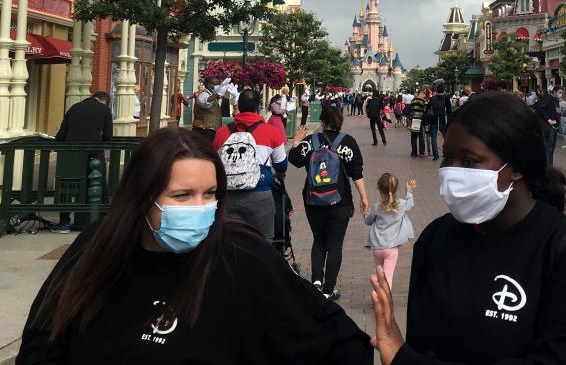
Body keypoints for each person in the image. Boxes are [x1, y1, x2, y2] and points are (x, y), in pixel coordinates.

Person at [18, 127, 373, 364]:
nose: (200, 207)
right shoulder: (97, 248)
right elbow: (43, 341)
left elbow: (339, 341)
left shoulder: (243, 256)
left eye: (211, 194)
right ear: (141, 197)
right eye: (182, 195)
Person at [367, 92, 566, 365]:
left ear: (515, 166)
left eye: (468, 161)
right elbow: (423, 341)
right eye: (448, 158)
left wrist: (401, 359)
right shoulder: (435, 238)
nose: (452, 172)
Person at [289, 106, 369, 301]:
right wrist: (364, 197)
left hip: (313, 200)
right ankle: (328, 289)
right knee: (335, 245)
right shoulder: (348, 142)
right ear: (339, 122)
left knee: (319, 240)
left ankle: (316, 281)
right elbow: (356, 172)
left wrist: (297, 141)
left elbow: (294, 160)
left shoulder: (311, 141)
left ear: (323, 122)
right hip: (340, 202)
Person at [213, 89, 288, 239]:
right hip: (260, 194)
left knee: (232, 242)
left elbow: (214, 163)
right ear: (258, 107)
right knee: (263, 241)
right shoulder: (271, 132)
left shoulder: (222, 133)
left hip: (229, 195)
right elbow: (281, 165)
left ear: (238, 106)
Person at [51, 92, 114, 234]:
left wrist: (58, 146)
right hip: (93, 154)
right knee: (98, 183)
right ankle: (101, 221)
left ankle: (64, 223)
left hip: (71, 154)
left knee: (69, 186)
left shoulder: (74, 107)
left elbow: (62, 134)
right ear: (104, 101)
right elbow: (108, 136)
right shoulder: (104, 110)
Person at [363, 173, 416, 288]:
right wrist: (409, 191)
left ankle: (378, 296)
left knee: (380, 274)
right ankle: (386, 301)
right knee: (388, 276)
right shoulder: (401, 204)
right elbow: (410, 204)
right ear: (395, 189)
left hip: (377, 247)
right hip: (391, 248)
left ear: (380, 190)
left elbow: (368, 221)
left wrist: (365, 212)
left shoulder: (377, 207)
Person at [423, 87, 452, 161]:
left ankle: (436, 155)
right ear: (444, 90)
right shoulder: (446, 98)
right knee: (446, 137)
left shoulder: (433, 98)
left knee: (433, 137)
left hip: (434, 119)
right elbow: (449, 110)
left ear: (436, 91)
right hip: (442, 119)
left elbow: (428, 108)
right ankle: (447, 154)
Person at [191, 77, 223, 142]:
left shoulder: (211, 95)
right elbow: (205, 102)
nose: (218, 86)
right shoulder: (203, 94)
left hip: (210, 131)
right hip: (203, 130)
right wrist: (216, 95)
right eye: (216, 84)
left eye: (219, 84)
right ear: (209, 85)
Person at [535, 86, 561, 165]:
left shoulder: (555, 100)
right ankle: (547, 168)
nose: (560, 94)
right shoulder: (548, 98)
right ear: (554, 91)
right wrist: (548, 120)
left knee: (551, 149)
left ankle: (549, 167)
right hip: (550, 127)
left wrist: (558, 113)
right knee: (549, 148)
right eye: (559, 92)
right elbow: (540, 108)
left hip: (554, 127)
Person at [407, 89, 428, 157]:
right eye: (424, 94)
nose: (424, 95)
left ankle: (414, 152)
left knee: (413, 136)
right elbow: (425, 110)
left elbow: (410, 109)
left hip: (413, 119)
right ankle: (421, 152)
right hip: (420, 119)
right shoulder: (423, 101)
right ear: (421, 93)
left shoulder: (413, 100)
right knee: (421, 136)